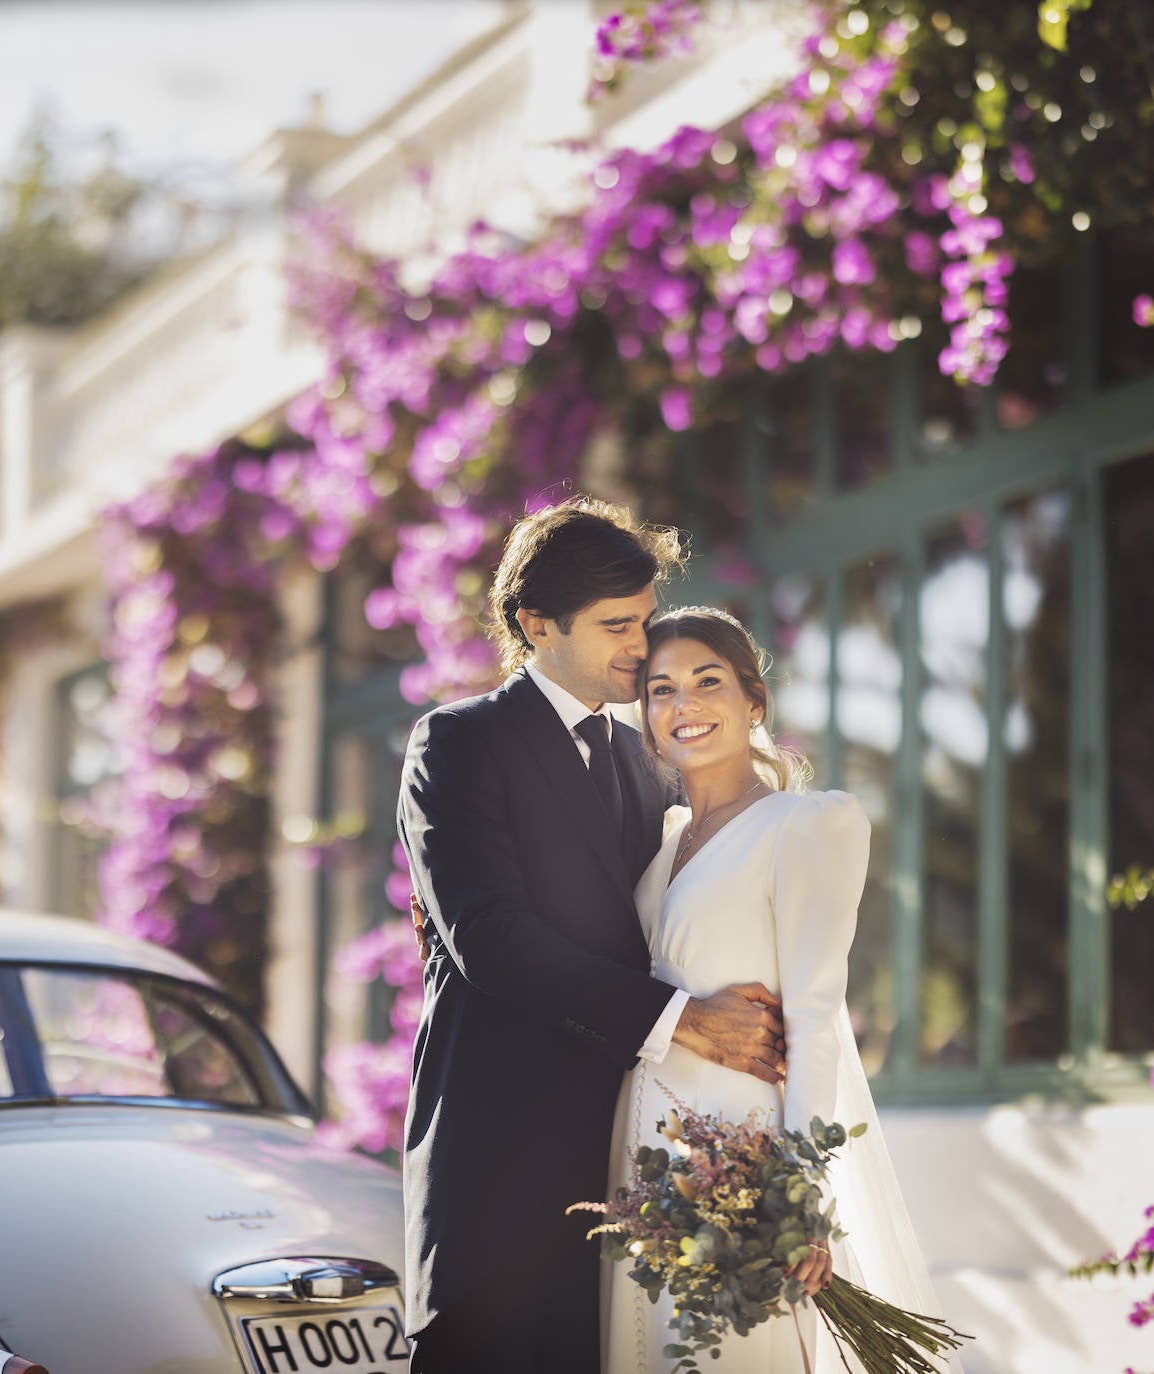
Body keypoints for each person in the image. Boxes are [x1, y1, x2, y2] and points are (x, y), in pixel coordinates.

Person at [397, 499, 788, 1374]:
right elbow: (491, 938)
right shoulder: (458, 744)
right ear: (535, 625)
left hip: (628, 1189)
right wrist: (685, 1019)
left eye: (646, 620)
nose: (642, 647)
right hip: (500, 1182)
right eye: (617, 626)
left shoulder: (645, 761)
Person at [603, 606, 960, 1374]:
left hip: (738, 1158)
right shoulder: (660, 839)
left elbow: (813, 1015)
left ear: (753, 701)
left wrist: (798, 1197)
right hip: (642, 1162)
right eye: (660, 690)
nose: (684, 706)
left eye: (707, 682)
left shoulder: (801, 827)